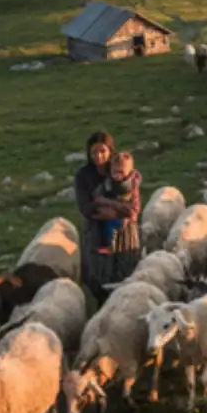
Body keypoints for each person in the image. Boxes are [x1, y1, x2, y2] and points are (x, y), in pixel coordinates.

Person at [73, 130, 141, 303]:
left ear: (110, 150)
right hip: (96, 233)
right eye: (94, 151)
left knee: (127, 273)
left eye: (102, 151)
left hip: (125, 234)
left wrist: (113, 209)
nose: (98, 156)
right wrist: (110, 211)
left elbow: (133, 205)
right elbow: (85, 207)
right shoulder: (83, 176)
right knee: (100, 279)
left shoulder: (122, 168)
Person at [96, 151, 141, 254]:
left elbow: (135, 201)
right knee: (106, 224)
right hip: (113, 212)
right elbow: (99, 193)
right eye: (114, 171)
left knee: (118, 231)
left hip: (126, 215)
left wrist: (133, 215)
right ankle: (108, 245)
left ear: (129, 172)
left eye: (121, 172)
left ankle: (113, 247)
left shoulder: (132, 185)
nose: (117, 175)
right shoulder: (109, 183)